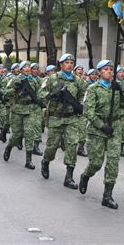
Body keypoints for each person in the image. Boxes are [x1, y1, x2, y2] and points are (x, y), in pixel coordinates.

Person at [78, 60, 122, 209]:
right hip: (97, 130)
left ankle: (107, 196)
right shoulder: (93, 89)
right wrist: (101, 126)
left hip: (114, 128)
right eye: (106, 69)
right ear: (99, 72)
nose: (109, 71)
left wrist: (122, 89)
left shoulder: (116, 87)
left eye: (111, 69)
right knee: (96, 163)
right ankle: (85, 176)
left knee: (113, 162)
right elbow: (88, 111)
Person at [39, 53, 84, 190]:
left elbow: (83, 96)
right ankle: (46, 161)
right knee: (52, 146)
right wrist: (53, 95)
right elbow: (40, 94)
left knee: (72, 146)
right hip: (56, 117)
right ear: (61, 64)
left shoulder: (78, 81)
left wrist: (80, 106)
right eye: (67, 62)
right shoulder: (52, 79)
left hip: (72, 118)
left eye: (71, 62)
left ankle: (69, 177)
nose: (69, 65)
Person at [3, 61, 45, 169]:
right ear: (21, 69)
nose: (27, 68)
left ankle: (28, 160)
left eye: (28, 67)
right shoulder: (15, 79)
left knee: (29, 134)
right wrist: (15, 89)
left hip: (30, 111)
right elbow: (5, 93)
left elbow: (40, 94)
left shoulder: (34, 81)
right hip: (17, 111)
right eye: (25, 67)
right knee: (16, 135)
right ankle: (9, 147)